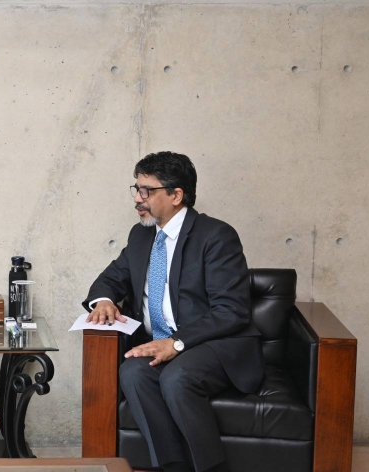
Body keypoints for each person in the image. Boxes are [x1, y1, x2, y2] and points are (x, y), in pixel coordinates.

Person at [83, 152, 264, 472]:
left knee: (178, 378)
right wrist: (104, 301)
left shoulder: (216, 236)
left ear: (176, 195)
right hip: (160, 343)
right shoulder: (141, 235)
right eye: (136, 189)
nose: (137, 199)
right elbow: (110, 278)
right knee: (133, 373)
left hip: (213, 345)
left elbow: (231, 310)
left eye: (146, 190)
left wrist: (177, 343)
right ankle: (174, 466)